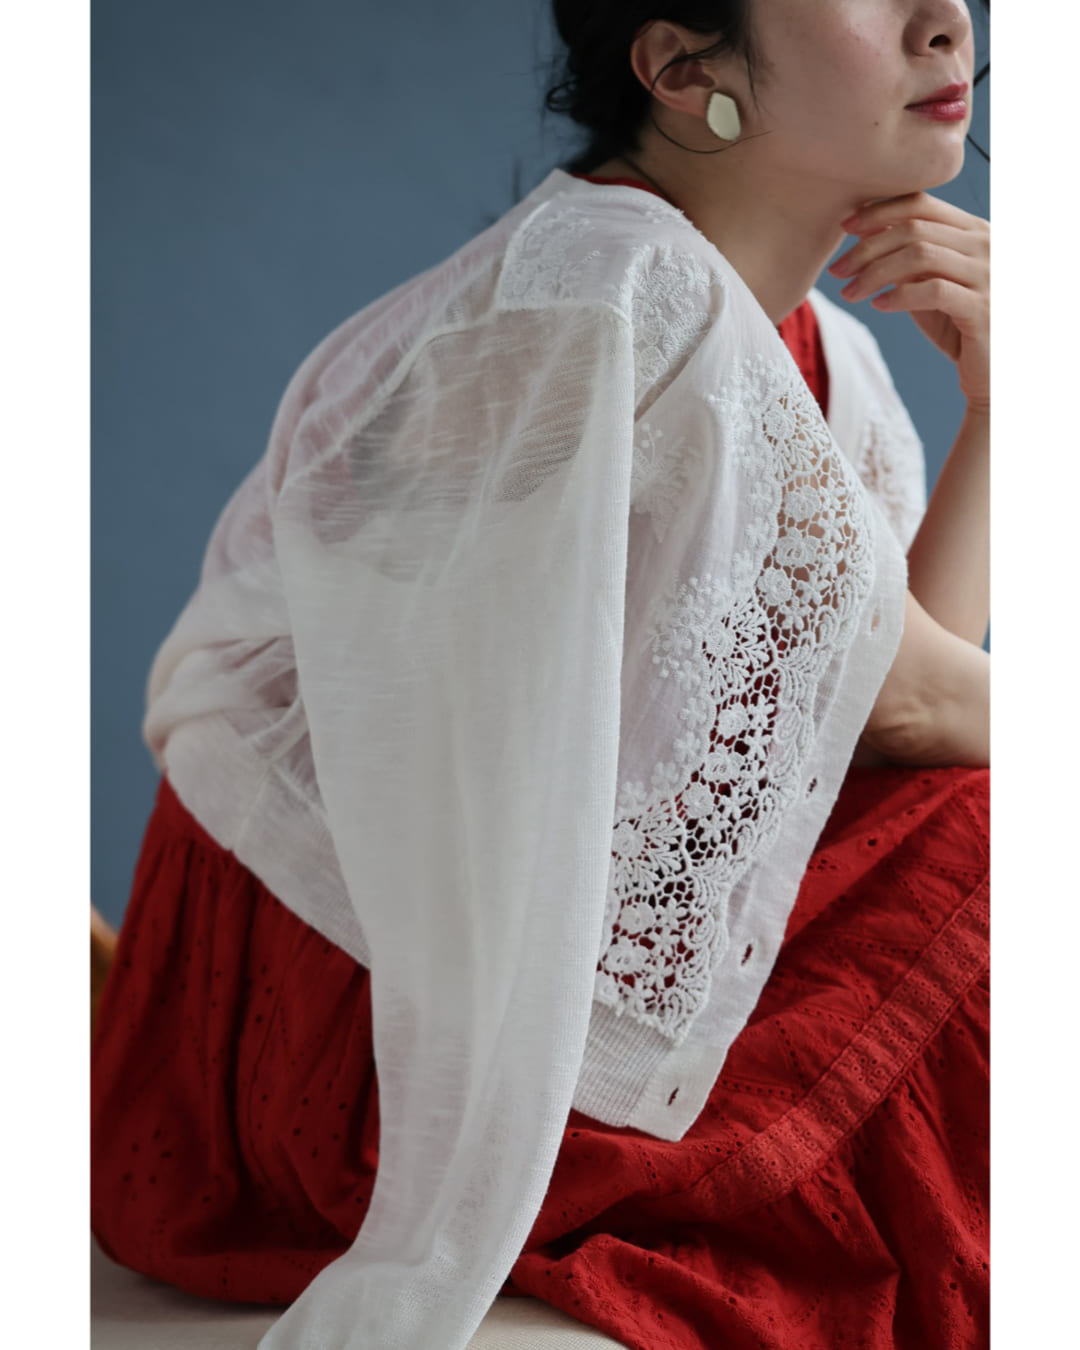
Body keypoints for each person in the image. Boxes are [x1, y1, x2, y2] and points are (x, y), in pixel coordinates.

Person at [90, 2, 990, 1347]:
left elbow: (871, 723)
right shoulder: (619, 286)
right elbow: (916, 706)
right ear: (682, 66)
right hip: (337, 1033)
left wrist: (1010, 407)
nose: (945, 21)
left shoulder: (813, 343)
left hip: (424, 970)